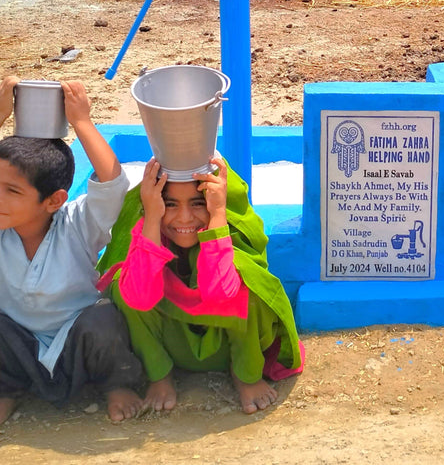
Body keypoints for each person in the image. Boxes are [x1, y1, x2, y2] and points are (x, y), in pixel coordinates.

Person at [0, 76, 143, 430]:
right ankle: (5, 390)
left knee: (104, 321)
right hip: (19, 343)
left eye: (12, 191)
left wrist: (81, 121)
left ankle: (116, 385)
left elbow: (112, 184)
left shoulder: (79, 223)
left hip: (77, 339)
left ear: (54, 201)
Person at [98, 155, 304, 414]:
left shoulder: (233, 230)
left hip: (227, 343)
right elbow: (139, 298)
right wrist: (152, 217)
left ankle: (246, 375)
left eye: (198, 203)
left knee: (247, 284)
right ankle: (160, 376)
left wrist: (217, 216)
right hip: (175, 345)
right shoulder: (148, 229)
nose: (184, 218)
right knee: (126, 284)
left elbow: (221, 294)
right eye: (170, 204)